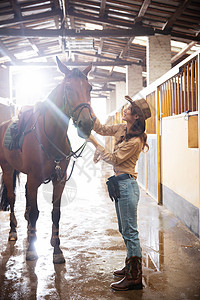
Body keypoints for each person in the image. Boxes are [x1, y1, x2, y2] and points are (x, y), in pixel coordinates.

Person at [87, 96, 151, 291]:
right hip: (120, 184)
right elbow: (100, 128)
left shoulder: (136, 142)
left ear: (136, 116)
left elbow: (114, 159)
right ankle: (130, 266)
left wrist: (94, 143)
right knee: (124, 230)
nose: (125, 109)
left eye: (129, 108)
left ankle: (134, 278)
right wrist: (88, 108)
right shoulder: (121, 129)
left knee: (130, 232)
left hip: (127, 186)